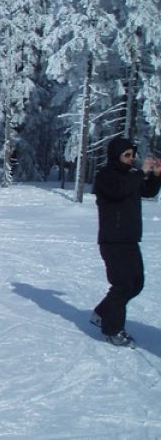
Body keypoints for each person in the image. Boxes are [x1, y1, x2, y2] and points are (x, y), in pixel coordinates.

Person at [90, 136, 161, 346]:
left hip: (130, 239)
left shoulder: (129, 176)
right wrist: (141, 172)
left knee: (136, 284)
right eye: (127, 155)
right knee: (122, 285)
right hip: (113, 241)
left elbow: (147, 191)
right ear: (116, 155)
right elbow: (119, 191)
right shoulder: (106, 175)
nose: (131, 159)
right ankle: (112, 330)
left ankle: (102, 313)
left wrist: (156, 176)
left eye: (133, 155)